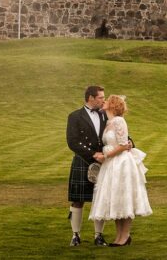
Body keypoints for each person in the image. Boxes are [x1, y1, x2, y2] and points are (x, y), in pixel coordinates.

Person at [89, 95, 153, 247]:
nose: (104, 101)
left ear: (113, 105)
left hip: (121, 163)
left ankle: (125, 236)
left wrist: (106, 155)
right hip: (111, 164)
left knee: (124, 198)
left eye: (107, 100)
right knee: (116, 199)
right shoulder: (108, 122)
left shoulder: (119, 120)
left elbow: (124, 144)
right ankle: (119, 236)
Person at [65, 86, 111, 247]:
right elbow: (72, 141)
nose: (104, 100)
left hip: (102, 162)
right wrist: (92, 154)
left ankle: (99, 236)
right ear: (91, 98)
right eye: (100, 97)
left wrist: (129, 142)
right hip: (83, 161)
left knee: (100, 199)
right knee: (78, 200)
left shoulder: (105, 114)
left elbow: (117, 131)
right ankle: (75, 235)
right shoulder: (75, 116)